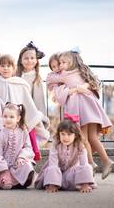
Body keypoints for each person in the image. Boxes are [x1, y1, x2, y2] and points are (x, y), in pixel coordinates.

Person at [47, 50, 113, 179]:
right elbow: (96, 81)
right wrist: (85, 85)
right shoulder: (81, 71)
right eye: (59, 64)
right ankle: (106, 161)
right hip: (91, 106)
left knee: (83, 138)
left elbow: (50, 78)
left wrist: (57, 74)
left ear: (71, 62)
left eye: (63, 63)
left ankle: (90, 164)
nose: (60, 66)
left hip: (80, 108)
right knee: (92, 137)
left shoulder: (65, 75)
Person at [0, 54, 49, 161]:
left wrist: (29, 119)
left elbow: (27, 103)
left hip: (18, 120)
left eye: (8, 66)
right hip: (3, 121)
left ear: (14, 68)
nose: (5, 68)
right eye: (2, 66)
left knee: (20, 144)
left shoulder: (20, 84)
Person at [35, 118, 95, 193]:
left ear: (75, 135)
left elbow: (84, 164)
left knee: (79, 173)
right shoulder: (56, 144)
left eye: (69, 134)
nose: (65, 137)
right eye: (62, 134)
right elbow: (53, 163)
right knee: (49, 172)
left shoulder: (80, 146)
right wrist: (52, 183)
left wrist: (85, 184)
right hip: (57, 170)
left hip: (71, 172)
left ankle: (83, 183)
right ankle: (54, 183)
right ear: (59, 134)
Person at [0, 103, 35, 190]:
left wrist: (21, 157)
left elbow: (28, 147)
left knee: (28, 167)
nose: (8, 119)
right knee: (7, 185)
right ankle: (11, 180)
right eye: (5, 116)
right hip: (4, 167)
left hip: (17, 164)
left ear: (18, 118)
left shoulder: (23, 131)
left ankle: (21, 180)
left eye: (11, 117)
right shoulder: (0, 135)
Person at [16, 41, 50, 129]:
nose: (29, 61)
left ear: (36, 60)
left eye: (32, 58)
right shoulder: (16, 75)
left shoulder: (36, 78)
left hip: (31, 113)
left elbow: (39, 100)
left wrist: (40, 118)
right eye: (26, 58)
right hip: (16, 112)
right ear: (21, 60)